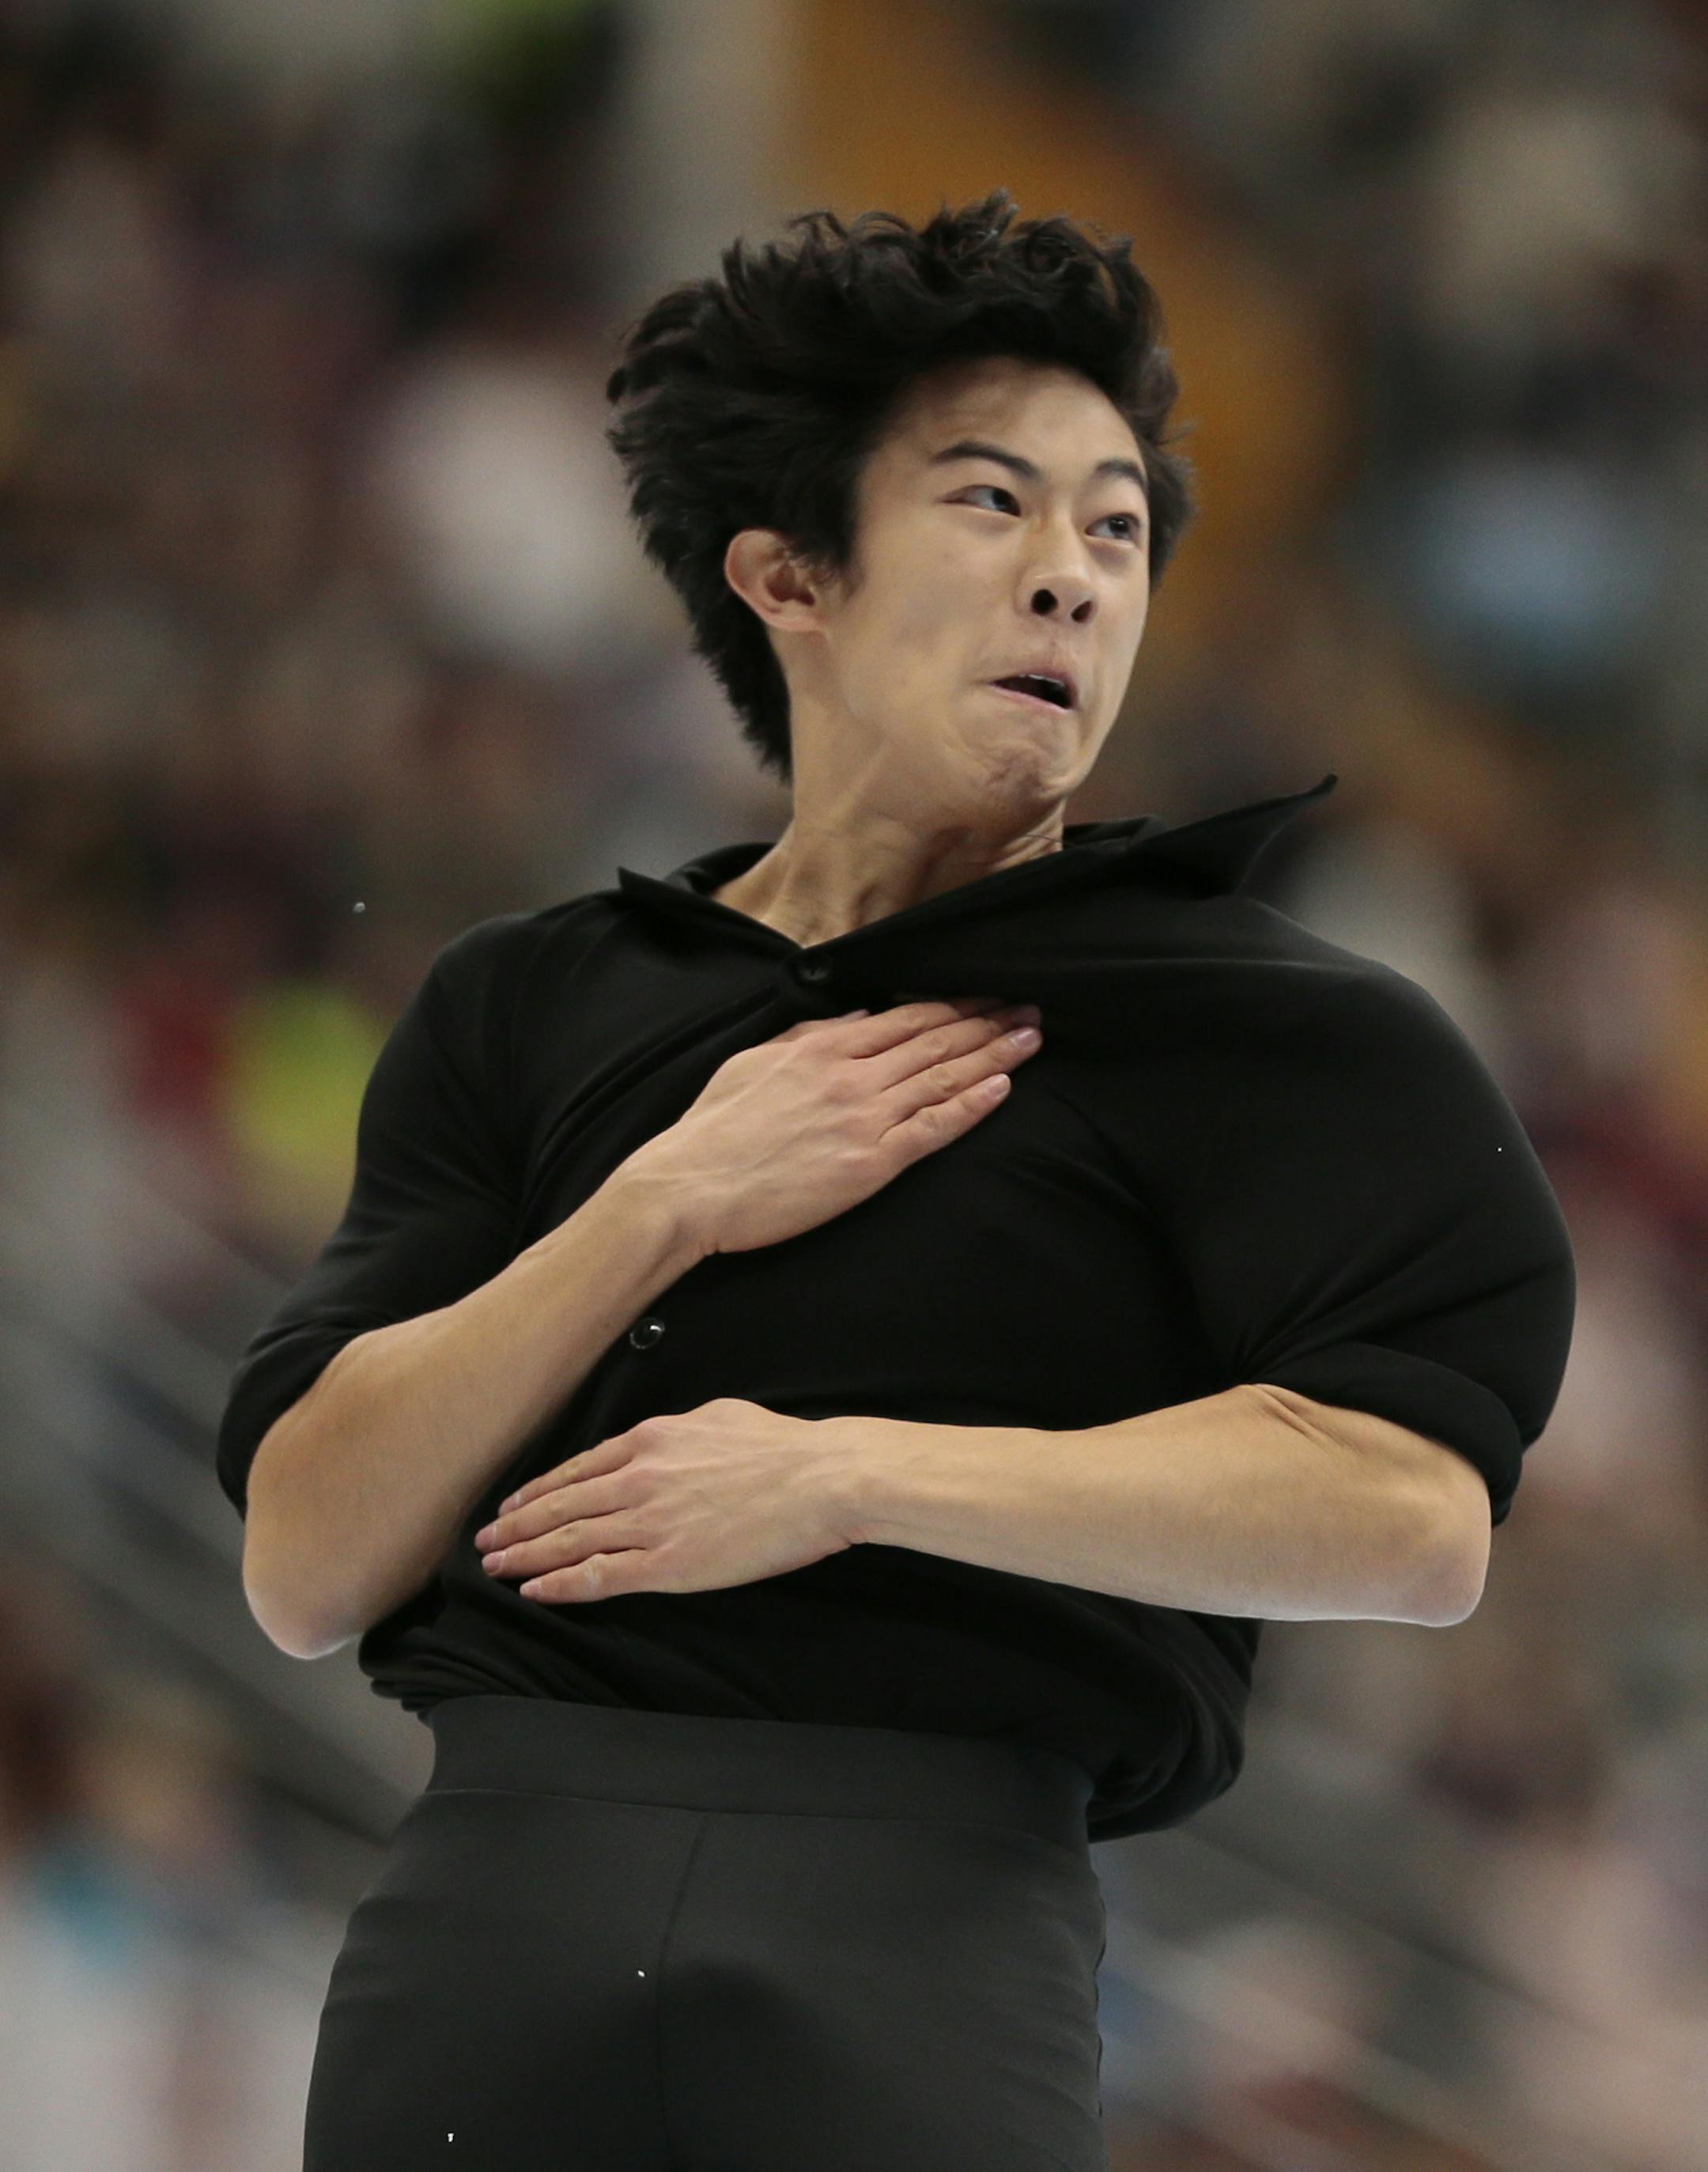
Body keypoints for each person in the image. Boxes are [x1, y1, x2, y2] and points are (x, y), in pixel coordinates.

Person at [216, 188, 1576, 2170]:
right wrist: (664, 1198)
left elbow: (1414, 1515)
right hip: (489, 1904)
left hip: (927, 1920)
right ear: (792, 575)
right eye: (990, 503)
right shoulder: (526, 1004)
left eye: (1116, 528)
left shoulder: (1277, 1033)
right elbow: (303, 1561)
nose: (1074, 577)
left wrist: (849, 1471)